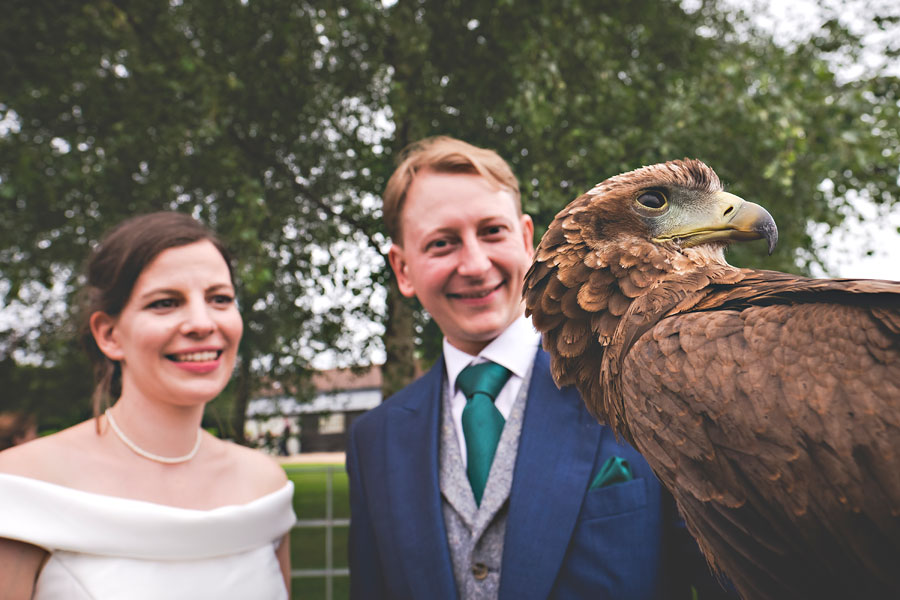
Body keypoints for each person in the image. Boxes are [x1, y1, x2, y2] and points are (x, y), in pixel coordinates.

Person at [346, 136, 734, 599]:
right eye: (442, 243)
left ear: (526, 238)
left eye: (492, 231)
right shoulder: (375, 439)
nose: (474, 264)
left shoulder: (644, 391)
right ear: (403, 269)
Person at [0, 212, 296, 599]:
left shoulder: (264, 485)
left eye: (219, 299)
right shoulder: (21, 488)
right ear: (109, 335)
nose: (202, 322)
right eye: (166, 303)